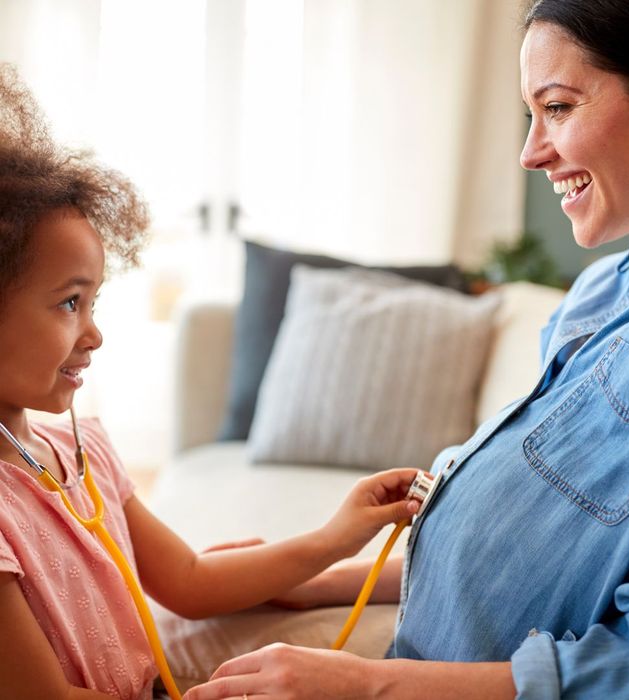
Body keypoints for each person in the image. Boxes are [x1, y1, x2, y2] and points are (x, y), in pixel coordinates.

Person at [183, 0, 629, 698]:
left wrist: (370, 687)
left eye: (557, 107)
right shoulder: (603, 290)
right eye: (530, 113)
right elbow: (535, 556)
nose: (529, 152)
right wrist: (313, 581)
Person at [0, 63, 423, 700]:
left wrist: (337, 537)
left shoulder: (85, 454)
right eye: (68, 303)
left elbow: (192, 580)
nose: (94, 335)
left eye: (94, 304)